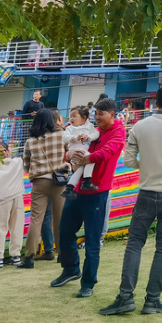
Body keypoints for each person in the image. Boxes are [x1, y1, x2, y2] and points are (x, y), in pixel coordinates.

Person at [99, 85, 162, 315]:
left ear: (155, 102)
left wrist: (149, 166)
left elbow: (128, 160)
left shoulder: (140, 126)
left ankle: (125, 297)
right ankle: (152, 300)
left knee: (135, 243)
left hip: (147, 191)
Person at [52, 97, 126, 297]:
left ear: (112, 114)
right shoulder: (95, 131)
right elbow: (71, 149)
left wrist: (86, 158)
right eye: (95, 114)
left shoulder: (118, 131)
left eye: (101, 114)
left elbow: (107, 152)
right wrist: (70, 156)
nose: (97, 117)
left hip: (97, 192)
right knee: (65, 232)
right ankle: (71, 269)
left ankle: (88, 283)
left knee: (92, 240)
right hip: (76, 190)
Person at [19, 108, 69, 268]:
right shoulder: (61, 136)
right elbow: (69, 153)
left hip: (39, 182)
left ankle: (29, 258)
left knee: (36, 219)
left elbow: (26, 165)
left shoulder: (30, 141)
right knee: (59, 219)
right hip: (59, 181)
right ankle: (62, 254)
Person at [0, 142, 25, 269]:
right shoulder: (18, 162)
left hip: (2, 199)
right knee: (17, 228)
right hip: (18, 197)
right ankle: (16, 256)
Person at [61, 106, 99, 200]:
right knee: (92, 159)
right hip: (76, 152)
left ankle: (69, 187)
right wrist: (75, 138)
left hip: (83, 151)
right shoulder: (70, 128)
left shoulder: (89, 126)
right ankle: (87, 181)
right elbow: (64, 138)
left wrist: (88, 137)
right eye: (71, 116)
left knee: (81, 168)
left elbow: (96, 134)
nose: (71, 118)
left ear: (84, 118)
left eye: (74, 116)